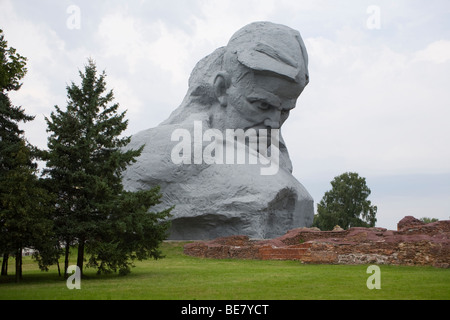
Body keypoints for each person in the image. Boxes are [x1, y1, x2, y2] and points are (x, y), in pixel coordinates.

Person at [123, 22, 314, 239]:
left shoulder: (277, 160)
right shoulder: (171, 147)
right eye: (262, 105)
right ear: (222, 89)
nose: (274, 123)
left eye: (284, 111)